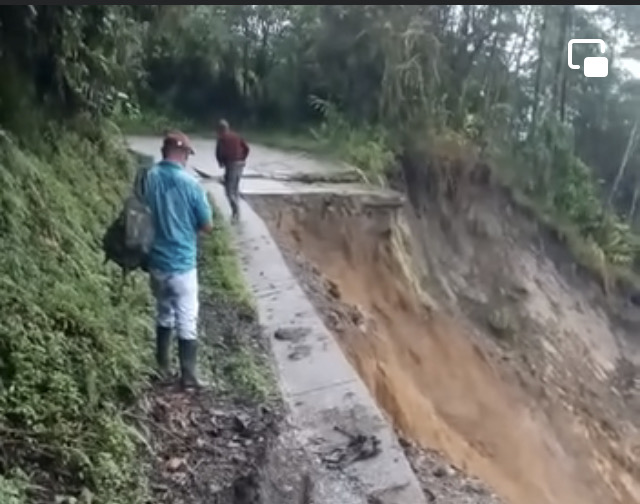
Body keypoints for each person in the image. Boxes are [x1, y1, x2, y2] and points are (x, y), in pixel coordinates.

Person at [145, 131, 213, 389]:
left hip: (156, 262)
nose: (186, 159)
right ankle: (188, 377)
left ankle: (162, 366)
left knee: (164, 313)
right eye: (186, 154)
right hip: (182, 264)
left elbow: (139, 214)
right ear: (182, 153)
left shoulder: (148, 178)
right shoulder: (190, 184)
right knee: (187, 316)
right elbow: (207, 225)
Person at [215, 119, 250, 222]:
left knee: (229, 191)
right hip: (240, 164)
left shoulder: (221, 138)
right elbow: (247, 148)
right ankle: (237, 210)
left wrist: (221, 162)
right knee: (235, 188)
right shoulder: (237, 136)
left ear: (220, 129)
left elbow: (218, 153)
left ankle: (236, 212)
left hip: (231, 165)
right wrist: (243, 158)